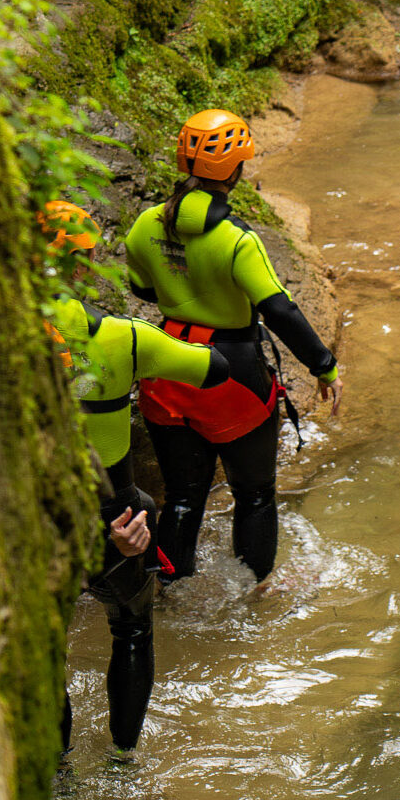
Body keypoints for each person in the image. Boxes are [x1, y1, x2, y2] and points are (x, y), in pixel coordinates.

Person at [38, 200, 231, 761]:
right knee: (132, 630)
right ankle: (123, 759)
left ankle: (58, 775)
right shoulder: (122, 338)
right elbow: (212, 369)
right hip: (115, 518)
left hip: (32, 521)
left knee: (48, 650)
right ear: (85, 265)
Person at [124, 108, 345, 584]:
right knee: (256, 493)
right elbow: (279, 310)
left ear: (184, 161)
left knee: (183, 497)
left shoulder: (144, 224)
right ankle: (255, 595)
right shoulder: (238, 238)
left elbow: (143, 290)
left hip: (165, 365)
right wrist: (324, 367)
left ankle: (172, 590)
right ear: (237, 170)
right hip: (232, 372)